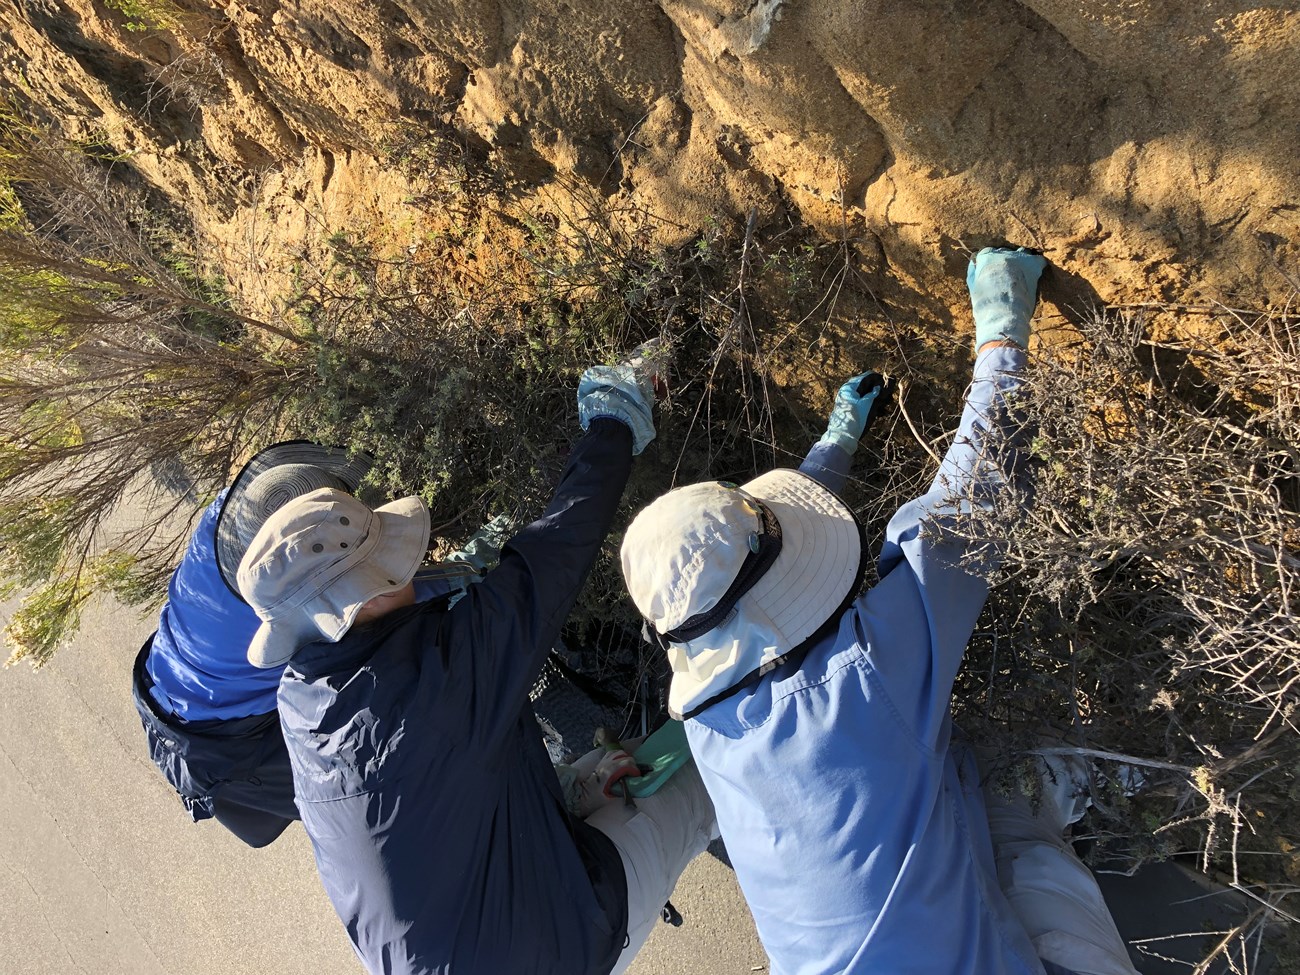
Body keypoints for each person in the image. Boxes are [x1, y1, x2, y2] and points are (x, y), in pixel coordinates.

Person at [620, 249, 1140, 975]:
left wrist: (838, 438)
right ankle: (1101, 778)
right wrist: (1001, 328)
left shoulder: (711, 724)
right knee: (1036, 846)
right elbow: (967, 512)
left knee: (970, 804)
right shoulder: (865, 679)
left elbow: (746, 574)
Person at [237, 343, 718, 975]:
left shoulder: (306, 695)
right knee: (708, 769)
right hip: (555, 944)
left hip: (448, 929)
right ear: (373, 587)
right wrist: (616, 416)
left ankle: (576, 805)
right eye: (394, 562)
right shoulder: (437, 685)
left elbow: (403, 634)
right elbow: (555, 557)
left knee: (606, 764)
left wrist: (463, 577)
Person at [131, 443, 503, 848]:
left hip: (163, 678)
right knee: (372, 790)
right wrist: (485, 554)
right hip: (221, 745)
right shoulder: (281, 615)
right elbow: (384, 601)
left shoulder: (239, 508)